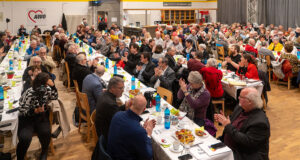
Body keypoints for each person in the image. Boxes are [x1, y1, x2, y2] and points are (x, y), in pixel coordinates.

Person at [215, 87, 270, 160]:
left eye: (241, 97)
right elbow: (232, 120)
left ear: (249, 101)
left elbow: (247, 142)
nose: (238, 98)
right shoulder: (240, 107)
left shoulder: (260, 123)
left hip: (243, 154)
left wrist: (228, 125)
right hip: (228, 146)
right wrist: (223, 120)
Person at [17, 72, 58, 160]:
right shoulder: (30, 92)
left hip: (41, 116)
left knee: (46, 133)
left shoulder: (47, 89)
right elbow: (21, 110)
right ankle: (20, 157)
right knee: (25, 138)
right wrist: (33, 111)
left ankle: (44, 151)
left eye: (45, 84)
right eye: (43, 84)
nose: (44, 88)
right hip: (27, 118)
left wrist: (53, 86)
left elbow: (54, 97)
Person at [107, 95, 155, 160]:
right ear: (144, 109)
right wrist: (148, 134)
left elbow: (128, 132)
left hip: (111, 154)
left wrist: (142, 130)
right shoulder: (138, 131)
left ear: (131, 103)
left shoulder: (117, 114)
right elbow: (147, 156)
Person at [95, 77, 130, 141]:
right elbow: (120, 122)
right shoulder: (110, 104)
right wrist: (128, 111)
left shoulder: (105, 94)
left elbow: (115, 111)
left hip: (103, 128)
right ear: (112, 88)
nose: (123, 90)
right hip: (107, 136)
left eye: (123, 87)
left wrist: (125, 106)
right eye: (120, 88)